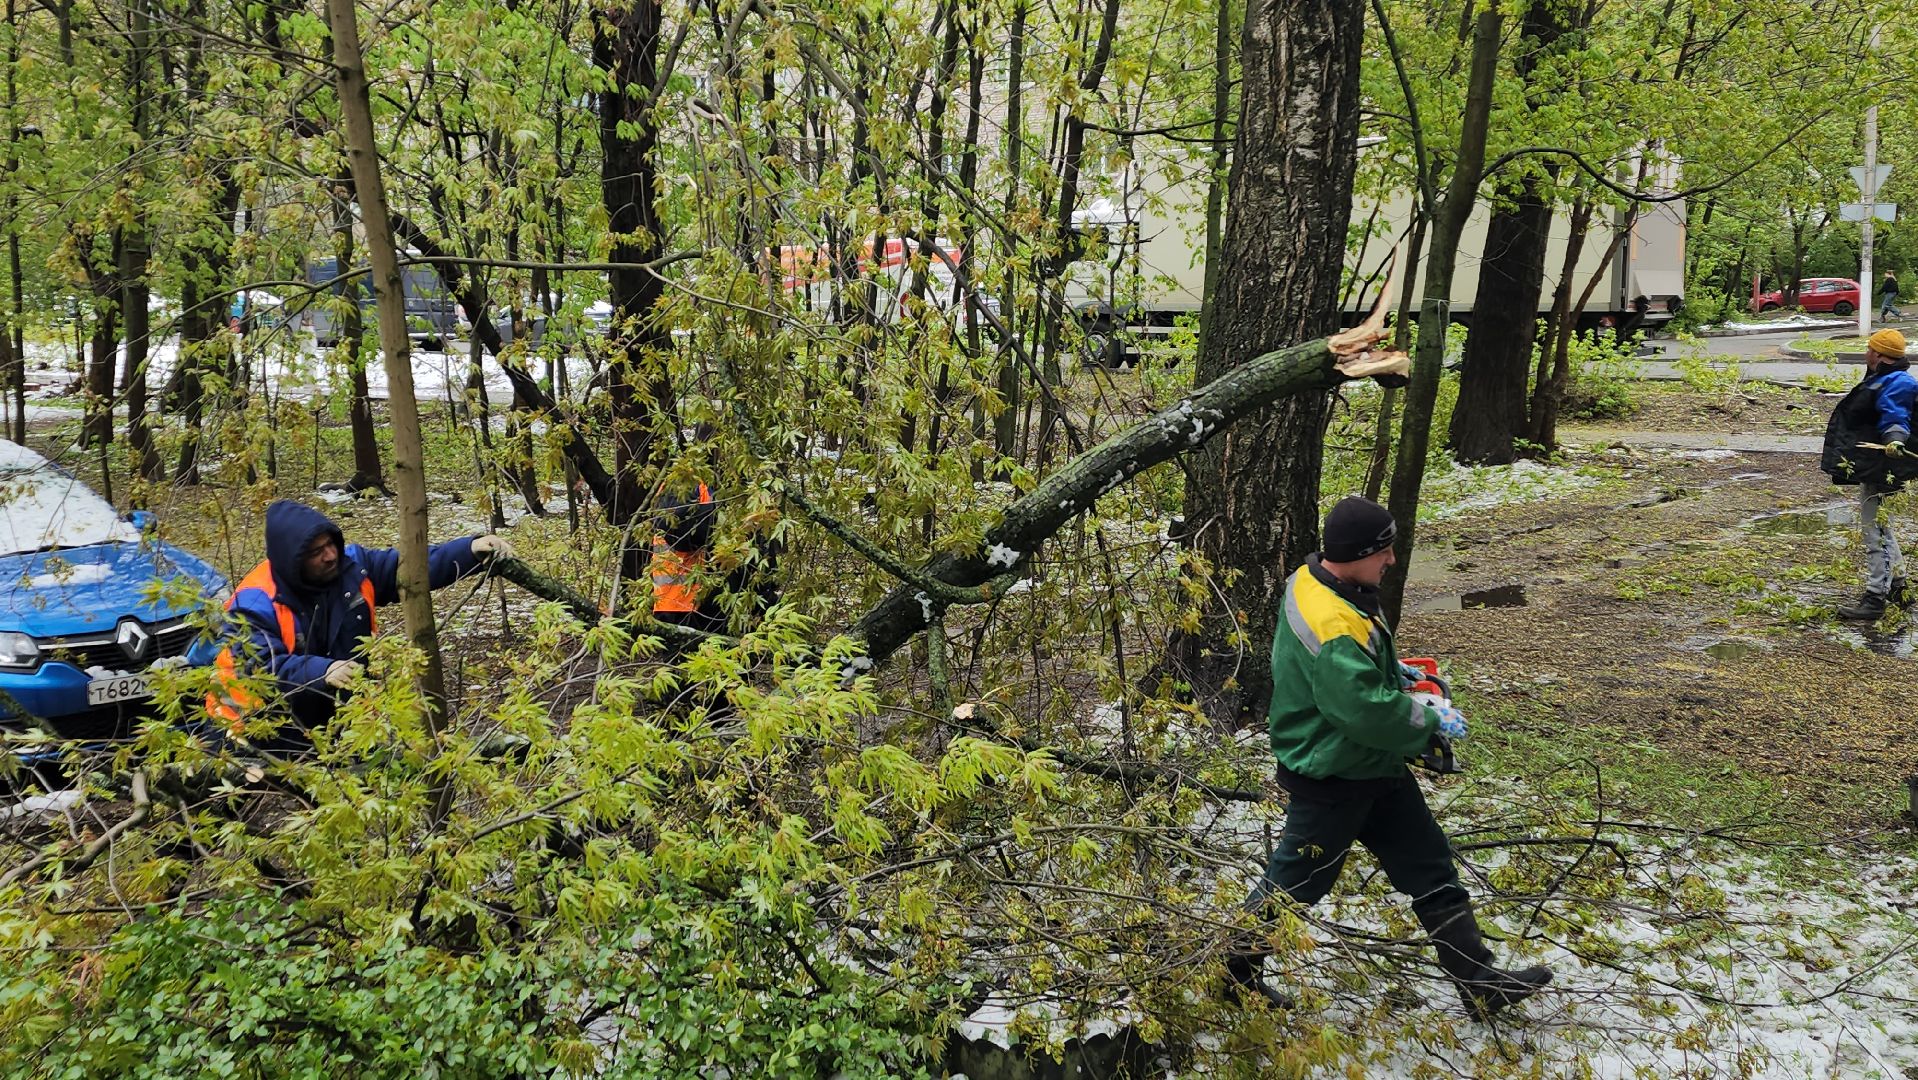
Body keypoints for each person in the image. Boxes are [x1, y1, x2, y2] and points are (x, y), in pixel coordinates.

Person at [1227, 496, 1551, 1018]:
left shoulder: (1315, 579)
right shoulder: (1333, 623)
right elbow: (1358, 707)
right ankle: (1231, 971)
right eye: (1385, 551)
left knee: (1428, 864)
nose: (1392, 560)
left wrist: (1387, 669)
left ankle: (1479, 983)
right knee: (1295, 885)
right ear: (1359, 552)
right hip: (1332, 771)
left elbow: (1347, 675)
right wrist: (1427, 721)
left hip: (1369, 765)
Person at [204, 500, 513, 742]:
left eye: (330, 545)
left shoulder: (353, 567)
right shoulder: (255, 604)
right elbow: (264, 672)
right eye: (316, 552)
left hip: (335, 719)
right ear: (292, 560)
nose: (329, 556)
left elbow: (410, 569)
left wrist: (469, 550)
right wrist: (322, 670)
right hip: (256, 727)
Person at [1821, 327, 1916, 620]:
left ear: (1877, 354)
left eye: (1869, 349)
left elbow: (1895, 414)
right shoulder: (1884, 377)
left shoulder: (1897, 382)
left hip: (1886, 466)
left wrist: (1894, 439)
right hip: (1877, 466)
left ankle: (1875, 599)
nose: (1866, 354)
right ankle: (1899, 588)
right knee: (1881, 526)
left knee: (1875, 531)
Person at [650, 482, 725, 633]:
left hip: (663, 598)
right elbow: (703, 532)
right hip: (692, 597)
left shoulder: (663, 488)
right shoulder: (701, 488)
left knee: (670, 651)